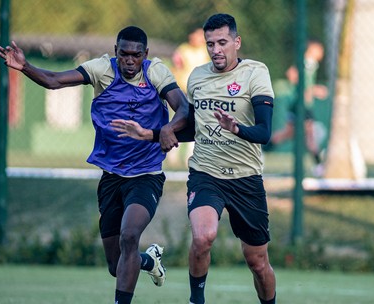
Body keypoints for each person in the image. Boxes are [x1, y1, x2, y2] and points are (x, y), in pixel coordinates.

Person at [0, 26, 189, 304]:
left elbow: (182, 107)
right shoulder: (101, 69)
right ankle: (150, 261)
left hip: (146, 175)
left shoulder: (156, 72)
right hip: (111, 177)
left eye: (136, 55)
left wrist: (169, 129)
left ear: (145, 55)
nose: (129, 60)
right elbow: (54, 80)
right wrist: (25, 66)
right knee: (116, 264)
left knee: (130, 235)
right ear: (115, 52)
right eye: (123, 54)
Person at [112, 13, 277, 304]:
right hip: (206, 174)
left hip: (246, 178)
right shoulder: (198, 77)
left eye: (222, 42)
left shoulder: (255, 72)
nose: (216, 50)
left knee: (258, 263)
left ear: (236, 42)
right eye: (210, 43)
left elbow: (264, 132)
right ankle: (195, 301)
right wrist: (150, 134)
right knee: (203, 237)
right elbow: (192, 129)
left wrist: (235, 128)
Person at [269, 39, 328, 177]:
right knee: (310, 136)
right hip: (301, 105)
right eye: (319, 50)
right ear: (312, 49)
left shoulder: (312, 64)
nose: (321, 53)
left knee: (287, 134)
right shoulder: (307, 62)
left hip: (300, 105)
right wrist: (312, 90)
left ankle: (260, 151)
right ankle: (319, 165)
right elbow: (292, 74)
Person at [166, 27, 210, 167]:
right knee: (177, 120)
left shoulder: (205, 51)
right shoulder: (183, 50)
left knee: (195, 121)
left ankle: (190, 155)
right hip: (182, 89)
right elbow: (176, 66)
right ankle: (171, 153)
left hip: (198, 90)